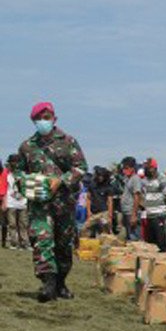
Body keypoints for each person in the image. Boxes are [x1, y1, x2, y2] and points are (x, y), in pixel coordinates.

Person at [16, 101, 88, 302]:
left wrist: (62, 180)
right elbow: (19, 171)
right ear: (33, 121)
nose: (43, 121)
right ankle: (47, 283)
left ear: (54, 118)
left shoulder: (68, 141)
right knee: (42, 240)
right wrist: (25, 181)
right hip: (39, 204)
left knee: (63, 244)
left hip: (64, 202)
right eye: (38, 118)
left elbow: (81, 167)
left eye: (46, 117)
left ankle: (61, 282)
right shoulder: (27, 146)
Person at [140, 158, 166, 251]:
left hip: (160, 214)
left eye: (148, 167)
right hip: (150, 215)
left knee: (162, 242)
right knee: (152, 244)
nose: (146, 169)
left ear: (154, 168)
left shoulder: (161, 179)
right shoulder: (146, 180)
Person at [3, 154, 29, 250]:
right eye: (13, 162)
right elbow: (5, 189)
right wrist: (4, 202)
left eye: (16, 162)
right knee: (12, 224)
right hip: (11, 202)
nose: (15, 165)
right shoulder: (7, 175)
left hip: (23, 203)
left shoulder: (25, 175)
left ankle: (25, 243)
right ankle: (14, 243)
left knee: (23, 224)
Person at [81, 166, 114, 238]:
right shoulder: (92, 185)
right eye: (99, 176)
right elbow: (88, 198)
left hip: (104, 212)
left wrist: (110, 215)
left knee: (106, 232)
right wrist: (88, 211)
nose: (100, 178)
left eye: (102, 176)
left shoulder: (108, 187)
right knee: (85, 229)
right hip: (93, 213)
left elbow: (110, 201)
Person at [118, 156, 142, 241]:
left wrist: (134, 215)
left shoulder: (135, 179)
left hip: (132, 212)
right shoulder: (127, 179)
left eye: (126, 168)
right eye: (123, 168)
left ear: (132, 168)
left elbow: (137, 196)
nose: (124, 170)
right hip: (126, 212)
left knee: (134, 238)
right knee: (129, 238)